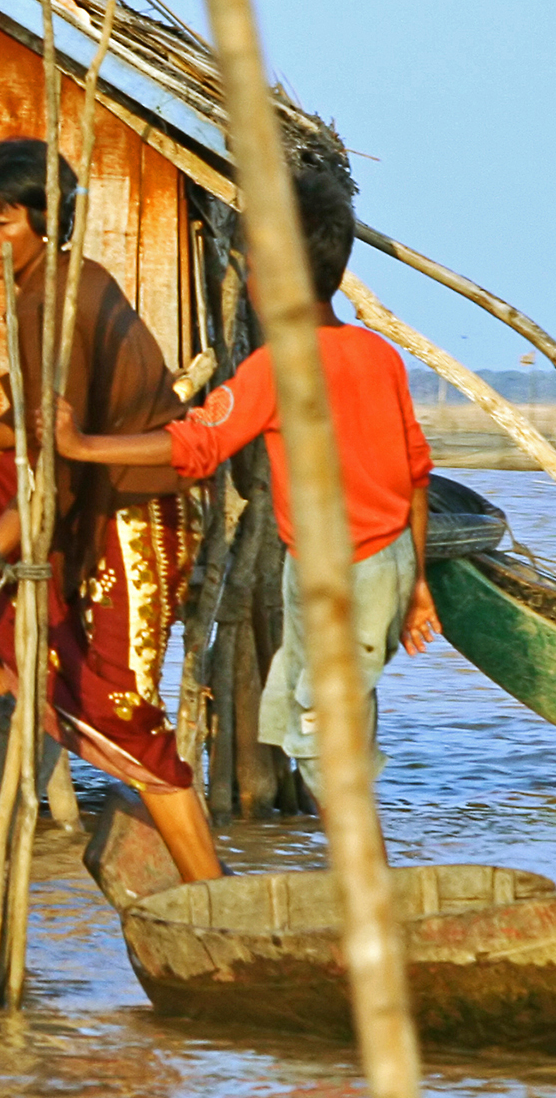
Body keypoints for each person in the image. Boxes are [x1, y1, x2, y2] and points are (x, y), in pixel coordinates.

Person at [50, 139, 436, 805]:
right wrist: (419, 584)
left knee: (323, 732)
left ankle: (363, 881)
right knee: (296, 711)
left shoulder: (276, 365)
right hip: (374, 562)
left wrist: (83, 447)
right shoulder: (379, 357)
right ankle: (342, 867)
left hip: (341, 577)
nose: (250, 280)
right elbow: (416, 479)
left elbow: (193, 448)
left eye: (254, 266)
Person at [0, 138, 221, 883]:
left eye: (4, 222)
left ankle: (211, 894)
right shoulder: (52, 285)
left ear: (46, 220)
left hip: (131, 513)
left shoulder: (50, 300)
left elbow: (58, 458)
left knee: (121, 707)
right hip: (91, 500)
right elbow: (44, 426)